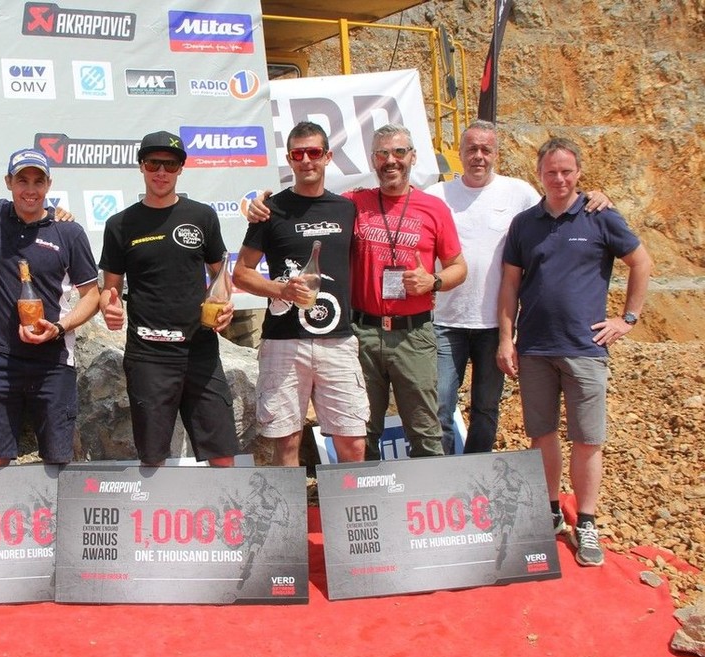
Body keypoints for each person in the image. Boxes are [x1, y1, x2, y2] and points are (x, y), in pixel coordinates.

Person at [497, 137, 652, 566]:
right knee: (541, 434)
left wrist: (628, 319)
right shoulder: (524, 224)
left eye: (566, 171)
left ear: (579, 173)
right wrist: (507, 339)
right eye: (551, 172)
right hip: (535, 348)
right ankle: (550, 511)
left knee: (587, 439)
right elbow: (510, 284)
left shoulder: (601, 215)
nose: (559, 179)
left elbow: (641, 262)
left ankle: (585, 521)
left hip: (585, 349)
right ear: (539, 174)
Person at [427, 122, 614, 456]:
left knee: (486, 408)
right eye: (471, 149)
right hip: (445, 321)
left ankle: (476, 471)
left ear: (496, 154)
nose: (479, 156)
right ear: (460, 152)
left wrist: (595, 196)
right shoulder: (437, 195)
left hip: (495, 325)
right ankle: (443, 476)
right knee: (440, 406)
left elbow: (559, 203)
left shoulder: (519, 192)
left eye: (486, 149)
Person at [99, 131, 238, 467]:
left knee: (223, 456)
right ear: (141, 166)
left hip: (199, 351)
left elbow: (221, 275)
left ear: (180, 169)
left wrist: (225, 305)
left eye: (170, 165)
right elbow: (110, 288)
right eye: (153, 163)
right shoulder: (119, 224)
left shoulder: (202, 216)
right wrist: (109, 307)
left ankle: (227, 506)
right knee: (153, 459)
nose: (161, 172)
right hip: (149, 355)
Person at [233, 121, 366, 465]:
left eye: (314, 152)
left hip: (337, 340)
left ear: (327, 157)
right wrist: (281, 289)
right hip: (284, 341)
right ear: (289, 159)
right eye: (298, 154)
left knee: (353, 443)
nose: (306, 160)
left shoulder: (347, 208)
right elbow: (241, 273)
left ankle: (347, 501)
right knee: (287, 443)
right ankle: (292, 504)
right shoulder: (270, 210)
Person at [0, 148, 100, 466]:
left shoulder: (68, 231)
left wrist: (60, 328)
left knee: (58, 462)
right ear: (8, 182)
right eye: (22, 180)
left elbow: (92, 296)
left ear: (49, 184)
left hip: (53, 363)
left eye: (38, 181)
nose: (30, 189)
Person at [347, 124, 466, 460]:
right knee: (360, 433)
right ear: (373, 160)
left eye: (399, 152)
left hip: (414, 336)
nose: (391, 160)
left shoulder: (434, 208)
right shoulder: (355, 203)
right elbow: (311, 206)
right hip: (362, 334)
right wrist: (264, 204)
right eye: (382, 153)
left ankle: (427, 492)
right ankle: (365, 492)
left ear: (412, 156)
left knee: (425, 432)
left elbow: (459, 267)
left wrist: (433, 281)